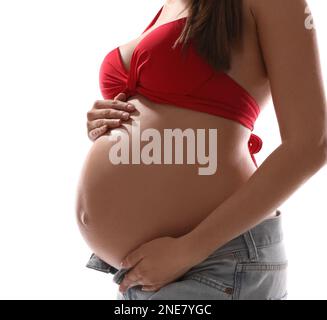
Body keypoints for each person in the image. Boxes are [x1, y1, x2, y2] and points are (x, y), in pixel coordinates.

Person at [77, 0, 327, 300]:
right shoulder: (175, 4)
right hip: (144, 274)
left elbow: (313, 142)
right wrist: (108, 123)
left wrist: (189, 249)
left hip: (213, 263)